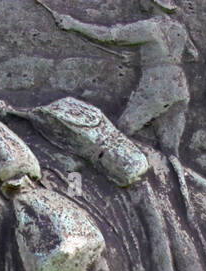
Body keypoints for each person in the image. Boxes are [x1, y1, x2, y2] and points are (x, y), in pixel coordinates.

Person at [54, 0, 198, 156]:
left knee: (122, 130)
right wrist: (142, 58)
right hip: (179, 88)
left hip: (156, 85)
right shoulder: (179, 28)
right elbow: (192, 55)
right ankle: (174, 178)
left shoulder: (149, 27)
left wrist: (73, 24)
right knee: (170, 149)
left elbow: (110, 35)